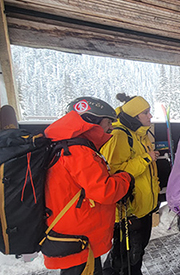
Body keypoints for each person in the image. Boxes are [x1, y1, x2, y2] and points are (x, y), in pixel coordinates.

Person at [42, 97, 133, 275]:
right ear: (92, 121)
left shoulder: (64, 144)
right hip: (78, 239)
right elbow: (104, 191)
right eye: (108, 121)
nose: (111, 127)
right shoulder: (79, 151)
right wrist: (126, 178)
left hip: (69, 234)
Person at [101, 93, 160, 275]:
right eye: (146, 113)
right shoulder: (119, 136)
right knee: (125, 258)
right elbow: (114, 172)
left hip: (143, 207)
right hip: (129, 211)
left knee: (135, 253)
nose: (150, 116)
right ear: (135, 116)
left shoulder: (141, 134)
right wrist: (145, 159)